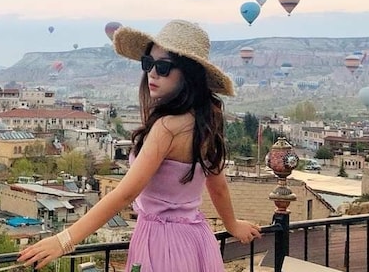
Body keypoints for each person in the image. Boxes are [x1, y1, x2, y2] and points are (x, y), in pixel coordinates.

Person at [17, 19, 261, 271]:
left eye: (164, 67)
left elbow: (125, 193)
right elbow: (217, 185)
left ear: (188, 74)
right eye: (148, 64)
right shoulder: (207, 120)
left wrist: (63, 240)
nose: (152, 73)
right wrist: (232, 225)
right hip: (197, 239)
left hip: (162, 242)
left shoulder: (166, 127)